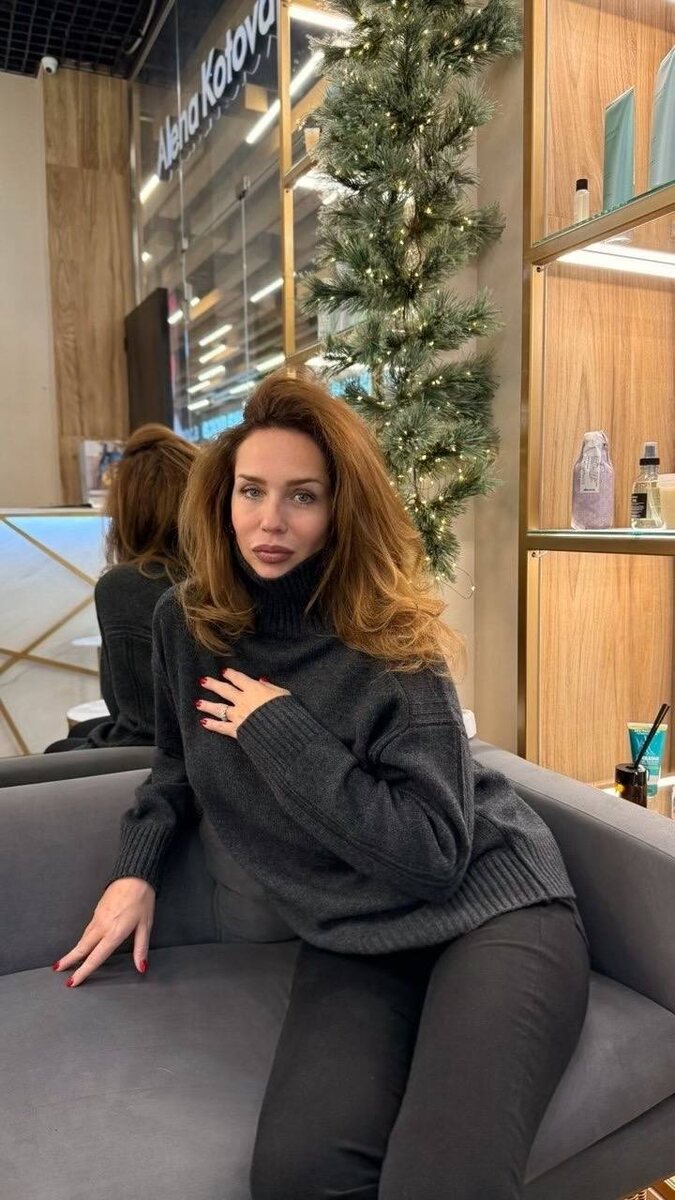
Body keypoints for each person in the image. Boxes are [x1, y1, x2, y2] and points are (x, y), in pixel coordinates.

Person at [53, 373, 589, 1200]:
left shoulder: (388, 640)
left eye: (301, 496)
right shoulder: (186, 625)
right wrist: (137, 868)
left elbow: (433, 857)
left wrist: (280, 730)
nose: (270, 520)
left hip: (493, 907)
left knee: (444, 1181)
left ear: (341, 509)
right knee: (298, 1175)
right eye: (251, 491)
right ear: (222, 497)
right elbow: (174, 764)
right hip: (354, 931)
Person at [45, 424, 199, 753]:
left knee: (57, 750)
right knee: (79, 733)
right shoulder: (221, 576)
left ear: (128, 511)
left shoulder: (129, 585)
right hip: (209, 742)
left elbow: (144, 731)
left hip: (173, 757)